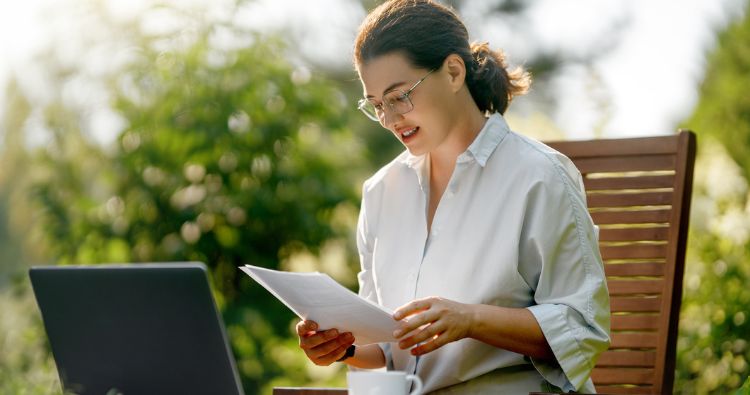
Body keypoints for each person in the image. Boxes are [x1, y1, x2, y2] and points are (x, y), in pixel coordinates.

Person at [295, 0, 610, 393]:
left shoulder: (539, 176)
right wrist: (342, 346)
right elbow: (387, 351)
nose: (390, 120)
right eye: (376, 105)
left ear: (454, 72)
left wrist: (470, 319)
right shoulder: (381, 192)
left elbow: (581, 328)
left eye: (399, 96)